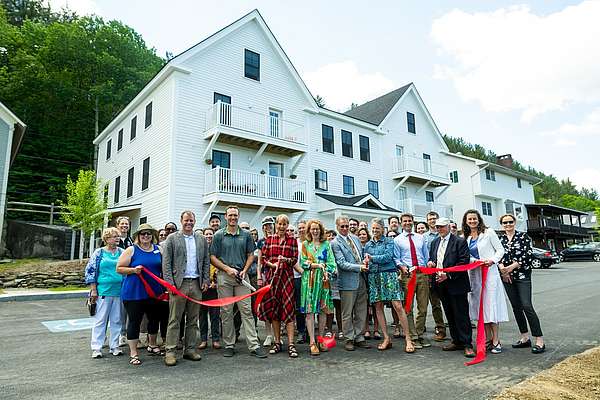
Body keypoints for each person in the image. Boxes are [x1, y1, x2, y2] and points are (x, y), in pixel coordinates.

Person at [210, 205, 267, 358]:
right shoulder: (219, 235)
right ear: (226, 217)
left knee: (246, 311)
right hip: (225, 277)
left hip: (242, 277)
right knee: (226, 312)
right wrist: (227, 269)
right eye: (230, 215)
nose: (233, 218)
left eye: (235, 215)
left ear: (238, 216)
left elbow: (251, 254)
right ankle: (229, 345)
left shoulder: (246, 235)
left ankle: (254, 345)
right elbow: (213, 257)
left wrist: (245, 270)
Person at [162, 210, 210, 366]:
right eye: (186, 220)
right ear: (181, 221)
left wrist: (205, 280)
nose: (189, 223)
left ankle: (190, 349)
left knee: (193, 319)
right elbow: (166, 263)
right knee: (174, 319)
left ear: (195, 222)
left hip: (196, 283)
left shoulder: (201, 239)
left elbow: (205, 261)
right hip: (179, 284)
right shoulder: (172, 238)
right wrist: (170, 284)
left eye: (191, 221)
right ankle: (170, 351)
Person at [116, 223, 165, 366]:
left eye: (148, 233)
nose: (146, 236)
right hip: (134, 293)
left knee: (154, 319)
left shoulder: (159, 250)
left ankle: (152, 344)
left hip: (154, 292)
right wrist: (133, 270)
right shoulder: (132, 250)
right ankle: (133, 352)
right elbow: (119, 268)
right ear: (138, 236)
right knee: (134, 322)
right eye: (143, 233)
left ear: (152, 235)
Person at [363, 218, 415, 353]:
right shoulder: (368, 244)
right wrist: (367, 262)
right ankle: (386, 338)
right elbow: (366, 260)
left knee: (397, 305)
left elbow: (388, 257)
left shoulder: (389, 241)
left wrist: (372, 258)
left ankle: (408, 339)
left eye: (377, 228)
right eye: (373, 228)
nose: (375, 231)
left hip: (389, 274)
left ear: (383, 229)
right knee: (378, 306)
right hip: (374, 276)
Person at [427, 218, 475, 358]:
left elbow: (463, 262)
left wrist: (447, 275)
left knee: (461, 314)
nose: (439, 229)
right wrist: (431, 263)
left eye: (442, 226)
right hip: (441, 284)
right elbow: (434, 259)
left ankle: (467, 344)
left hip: (456, 283)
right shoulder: (435, 242)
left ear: (448, 226)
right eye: (437, 227)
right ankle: (456, 340)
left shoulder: (459, 241)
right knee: (449, 313)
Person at [463, 209, 508, 354]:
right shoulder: (466, 237)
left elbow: (500, 250)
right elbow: (465, 256)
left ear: (479, 219)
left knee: (491, 307)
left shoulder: (489, 232)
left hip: (489, 274)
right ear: (466, 221)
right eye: (469, 219)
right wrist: (475, 261)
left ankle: (496, 340)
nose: (472, 221)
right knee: (480, 308)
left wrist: (492, 260)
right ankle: (487, 339)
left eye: (474, 219)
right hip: (475, 274)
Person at [498, 214, 545, 354]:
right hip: (506, 277)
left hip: (522, 275)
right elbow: (497, 254)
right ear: (502, 224)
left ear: (514, 222)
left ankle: (539, 340)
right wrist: (503, 270)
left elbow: (527, 255)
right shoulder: (500, 239)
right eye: (505, 222)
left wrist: (511, 267)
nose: (508, 224)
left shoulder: (523, 236)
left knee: (526, 305)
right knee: (516, 307)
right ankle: (524, 338)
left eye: (510, 222)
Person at [258, 214, 300, 358]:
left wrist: (285, 260)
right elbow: (263, 258)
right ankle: (277, 342)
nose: (281, 227)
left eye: (284, 224)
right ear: (276, 225)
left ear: (287, 225)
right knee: (274, 310)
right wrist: (272, 264)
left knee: (288, 310)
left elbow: (294, 259)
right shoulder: (269, 240)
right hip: (273, 278)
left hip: (287, 278)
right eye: (279, 224)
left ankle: (291, 344)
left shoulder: (292, 240)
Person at [331, 216, 371, 351]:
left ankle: (359, 337)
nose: (345, 228)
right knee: (347, 312)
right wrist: (359, 267)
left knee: (361, 310)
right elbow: (341, 263)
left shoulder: (355, 238)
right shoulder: (335, 243)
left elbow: (360, 255)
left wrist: (365, 261)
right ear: (337, 227)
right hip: (347, 281)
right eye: (342, 226)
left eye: (346, 226)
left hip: (361, 278)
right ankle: (349, 338)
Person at [85, 227, 124, 358]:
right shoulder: (99, 252)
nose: (117, 238)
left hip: (119, 291)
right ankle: (96, 347)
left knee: (117, 320)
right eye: (114, 236)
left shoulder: (122, 252)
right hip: (103, 291)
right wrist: (93, 290)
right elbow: (90, 270)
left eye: (118, 236)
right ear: (107, 239)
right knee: (100, 320)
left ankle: (115, 346)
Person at [393, 213, 430, 349]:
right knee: (408, 307)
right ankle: (413, 337)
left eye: (410, 221)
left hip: (422, 274)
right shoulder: (397, 240)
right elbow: (396, 258)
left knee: (423, 307)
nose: (407, 223)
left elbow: (426, 256)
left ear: (413, 222)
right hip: (408, 276)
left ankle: (420, 334)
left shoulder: (421, 238)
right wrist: (402, 267)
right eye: (405, 221)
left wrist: (428, 266)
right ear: (401, 223)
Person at [300, 219, 336, 356]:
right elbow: (303, 263)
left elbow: (332, 262)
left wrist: (327, 270)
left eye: (317, 229)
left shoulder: (326, 244)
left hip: (323, 280)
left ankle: (321, 339)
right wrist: (317, 265)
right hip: (309, 281)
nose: (315, 231)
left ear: (321, 230)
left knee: (322, 310)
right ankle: (312, 342)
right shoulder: (305, 244)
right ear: (309, 231)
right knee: (309, 312)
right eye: (312, 229)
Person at [423, 211, 446, 342]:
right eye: (430, 219)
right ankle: (440, 328)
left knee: (448, 302)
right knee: (434, 303)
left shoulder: (446, 234)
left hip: (445, 272)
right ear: (427, 221)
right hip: (430, 274)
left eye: (434, 218)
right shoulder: (423, 237)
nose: (432, 220)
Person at [198, 227, 221, 350]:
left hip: (215, 288)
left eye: (210, 234)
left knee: (215, 315)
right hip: (202, 288)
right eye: (206, 234)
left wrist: (215, 283)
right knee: (202, 315)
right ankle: (203, 339)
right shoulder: (199, 250)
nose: (208, 236)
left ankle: (216, 339)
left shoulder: (217, 251)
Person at [257, 216, 275, 346]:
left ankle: (277, 335)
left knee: (277, 305)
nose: (268, 228)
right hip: (265, 275)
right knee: (266, 306)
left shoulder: (279, 239)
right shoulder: (261, 242)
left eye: (270, 225)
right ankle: (269, 334)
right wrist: (259, 276)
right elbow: (259, 262)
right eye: (266, 225)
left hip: (278, 274)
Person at [116, 215, 133, 346]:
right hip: (114, 280)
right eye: (122, 224)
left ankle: (123, 333)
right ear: (117, 225)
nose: (124, 226)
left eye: (126, 224)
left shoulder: (131, 242)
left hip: (128, 278)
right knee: (113, 311)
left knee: (125, 309)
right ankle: (114, 335)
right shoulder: (111, 241)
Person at [325, 229, 343, 339]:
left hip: (339, 281)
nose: (331, 238)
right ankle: (329, 329)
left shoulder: (338, 249)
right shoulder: (325, 250)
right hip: (328, 281)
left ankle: (341, 329)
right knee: (329, 307)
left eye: (333, 236)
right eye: (329, 236)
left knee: (339, 306)